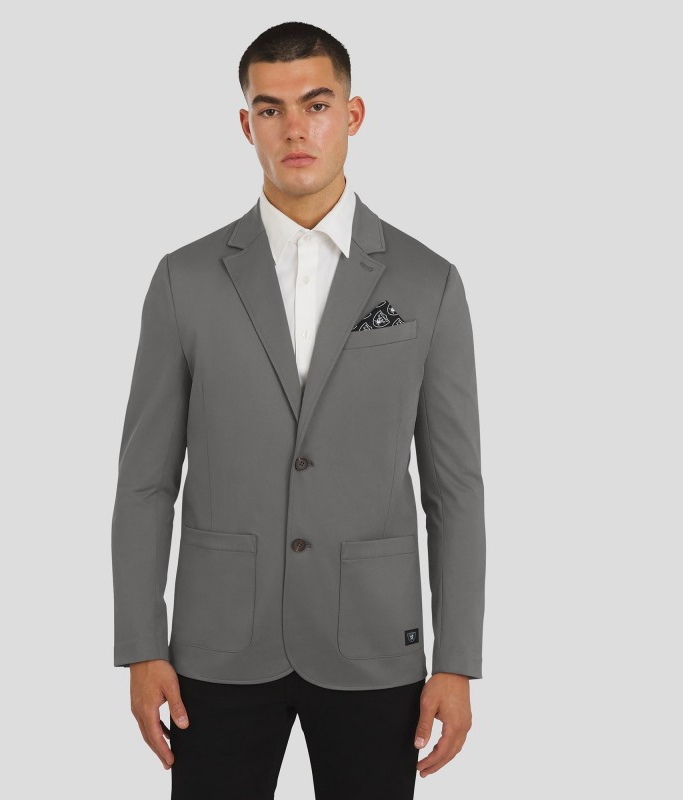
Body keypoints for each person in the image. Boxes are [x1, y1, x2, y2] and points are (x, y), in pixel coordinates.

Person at [111, 20, 486, 799]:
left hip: (373, 641)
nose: (295, 129)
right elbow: (146, 481)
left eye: (315, 105)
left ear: (352, 115)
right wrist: (142, 644)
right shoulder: (184, 280)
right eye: (270, 109)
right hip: (217, 644)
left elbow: (455, 491)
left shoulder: (428, 283)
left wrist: (457, 659)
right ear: (245, 124)